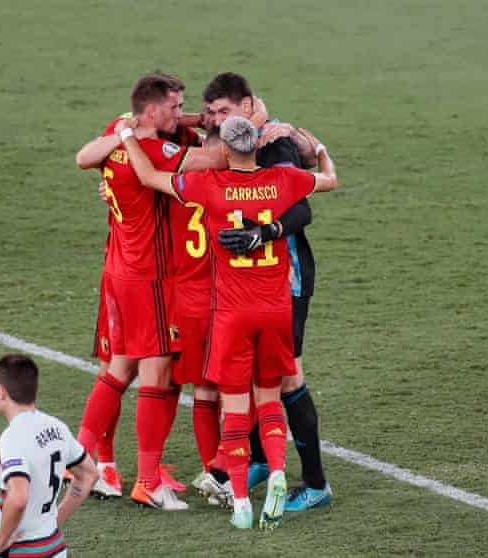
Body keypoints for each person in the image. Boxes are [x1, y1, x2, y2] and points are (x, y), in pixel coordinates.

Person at [118, 115, 337, 529]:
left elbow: (148, 177)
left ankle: (239, 499)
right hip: (275, 310)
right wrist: (319, 147)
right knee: (270, 399)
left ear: (225, 150)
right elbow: (328, 179)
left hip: (232, 314)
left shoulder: (208, 186)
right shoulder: (282, 181)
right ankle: (276, 472)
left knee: (235, 410)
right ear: (256, 144)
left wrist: (127, 136)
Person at [73, 73, 225, 511]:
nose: (183, 114)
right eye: (177, 107)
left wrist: (125, 135)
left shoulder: (120, 132)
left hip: (119, 268)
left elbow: (84, 157)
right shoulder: (157, 149)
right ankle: (143, 480)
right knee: (156, 376)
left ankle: (81, 459)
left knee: (119, 369)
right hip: (150, 276)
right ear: (154, 111)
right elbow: (215, 161)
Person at [202, 72, 334, 512]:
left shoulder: (275, 145)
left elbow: (302, 208)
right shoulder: (242, 139)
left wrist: (265, 233)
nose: (217, 121)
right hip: (252, 287)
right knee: (254, 371)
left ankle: (315, 482)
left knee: (288, 374)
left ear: (246, 104)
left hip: (287, 279)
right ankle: (258, 459)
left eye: (225, 112)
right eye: (212, 114)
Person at [0, 354, 98, 558]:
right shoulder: (57, 427)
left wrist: (0, 542)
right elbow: (89, 475)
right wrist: (54, 521)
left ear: (2, 391)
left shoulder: (12, 437)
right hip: (54, 547)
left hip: (20, 551)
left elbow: (19, 497)